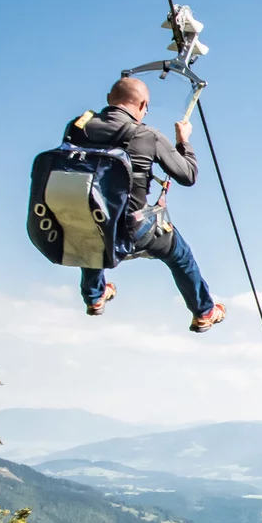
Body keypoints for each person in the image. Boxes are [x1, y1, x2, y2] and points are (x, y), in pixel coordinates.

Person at [67, 77, 224, 332]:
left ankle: (94, 296)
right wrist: (183, 141)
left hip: (78, 218)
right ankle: (204, 311)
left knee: (94, 227)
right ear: (143, 105)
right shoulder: (147, 135)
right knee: (180, 256)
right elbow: (188, 175)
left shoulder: (77, 127)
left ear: (109, 99)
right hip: (134, 229)